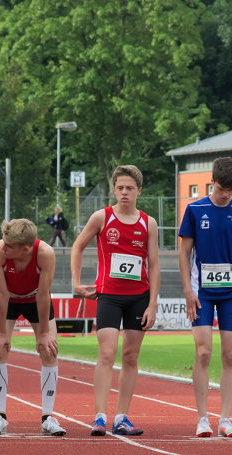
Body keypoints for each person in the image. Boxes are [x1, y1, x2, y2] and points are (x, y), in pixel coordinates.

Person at [70, 165, 160, 436]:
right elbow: (78, 246)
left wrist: (153, 304)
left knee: (131, 356)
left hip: (139, 297)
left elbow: (154, 265)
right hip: (108, 295)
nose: (124, 192)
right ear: (114, 190)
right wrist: (76, 282)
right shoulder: (102, 218)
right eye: (120, 188)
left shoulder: (148, 223)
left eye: (129, 188)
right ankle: (99, 416)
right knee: (107, 353)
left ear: (138, 192)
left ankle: (121, 417)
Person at [178, 157, 232, 438]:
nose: (225, 194)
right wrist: (187, 289)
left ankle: (226, 418)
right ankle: (203, 418)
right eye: (222, 188)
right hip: (201, 292)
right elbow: (184, 252)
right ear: (212, 181)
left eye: (231, 190)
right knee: (203, 352)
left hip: (231, 295)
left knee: (230, 354)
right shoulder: (195, 210)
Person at [0, 218, 65, 436]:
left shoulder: (45, 253)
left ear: (26, 248)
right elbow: (0, 293)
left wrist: (44, 334)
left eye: (9, 245)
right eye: (4, 241)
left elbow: (43, 294)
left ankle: (48, 416)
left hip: (35, 299)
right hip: (8, 299)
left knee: (49, 350)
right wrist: (1, 333)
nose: (3, 246)